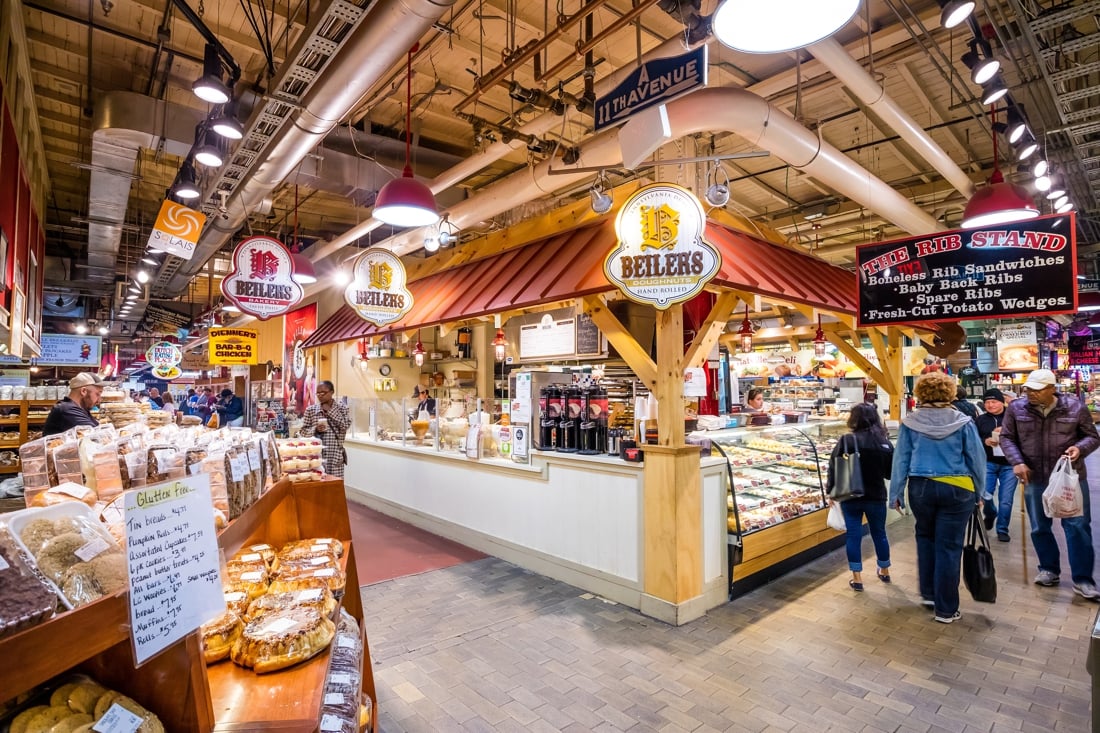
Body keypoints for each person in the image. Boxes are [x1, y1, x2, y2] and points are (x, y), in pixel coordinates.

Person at [889, 371, 985, 624]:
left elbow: (901, 461)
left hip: (921, 487)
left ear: (920, 393)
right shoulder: (964, 422)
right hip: (958, 488)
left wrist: (896, 493)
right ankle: (946, 609)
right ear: (950, 392)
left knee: (925, 538)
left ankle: (929, 594)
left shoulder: (910, 423)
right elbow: (976, 460)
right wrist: (981, 492)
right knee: (949, 547)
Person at [999, 368, 1100, 600]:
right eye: (1028, 389)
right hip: (1033, 477)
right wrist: (1017, 462)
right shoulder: (1016, 408)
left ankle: (1083, 579)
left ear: (1052, 389)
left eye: (1036, 389)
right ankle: (1048, 569)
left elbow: (1093, 437)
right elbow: (1006, 437)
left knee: (1077, 526)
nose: (1030, 393)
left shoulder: (1075, 407)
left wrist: (1080, 448)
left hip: (1069, 478)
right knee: (1039, 526)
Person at [826, 403, 894, 592]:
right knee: (879, 534)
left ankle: (857, 578)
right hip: (876, 496)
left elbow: (833, 466)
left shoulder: (847, 440)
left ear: (853, 419)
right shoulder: (884, 442)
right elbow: (890, 473)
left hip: (850, 495)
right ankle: (885, 571)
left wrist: (831, 492)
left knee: (853, 536)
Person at [976, 388, 1016, 542]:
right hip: (988, 462)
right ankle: (991, 512)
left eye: (994, 401)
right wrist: (985, 441)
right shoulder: (980, 420)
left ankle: (1002, 529)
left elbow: (1024, 437)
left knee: (1006, 499)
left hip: (1010, 464)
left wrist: (1005, 433)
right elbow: (974, 439)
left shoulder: (1013, 417)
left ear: (1002, 401)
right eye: (987, 402)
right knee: (985, 494)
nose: (990, 405)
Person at [300, 380, 350, 477]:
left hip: (335, 455)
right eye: (318, 393)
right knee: (318, 485)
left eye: (323, 392)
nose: (320, 395)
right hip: (316, 455)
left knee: (334, 486)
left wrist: (330, 412)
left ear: (332, 392)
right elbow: (303, 431)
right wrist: (315, 429)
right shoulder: (311, 410)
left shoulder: (342, 409)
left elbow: (344, 426)